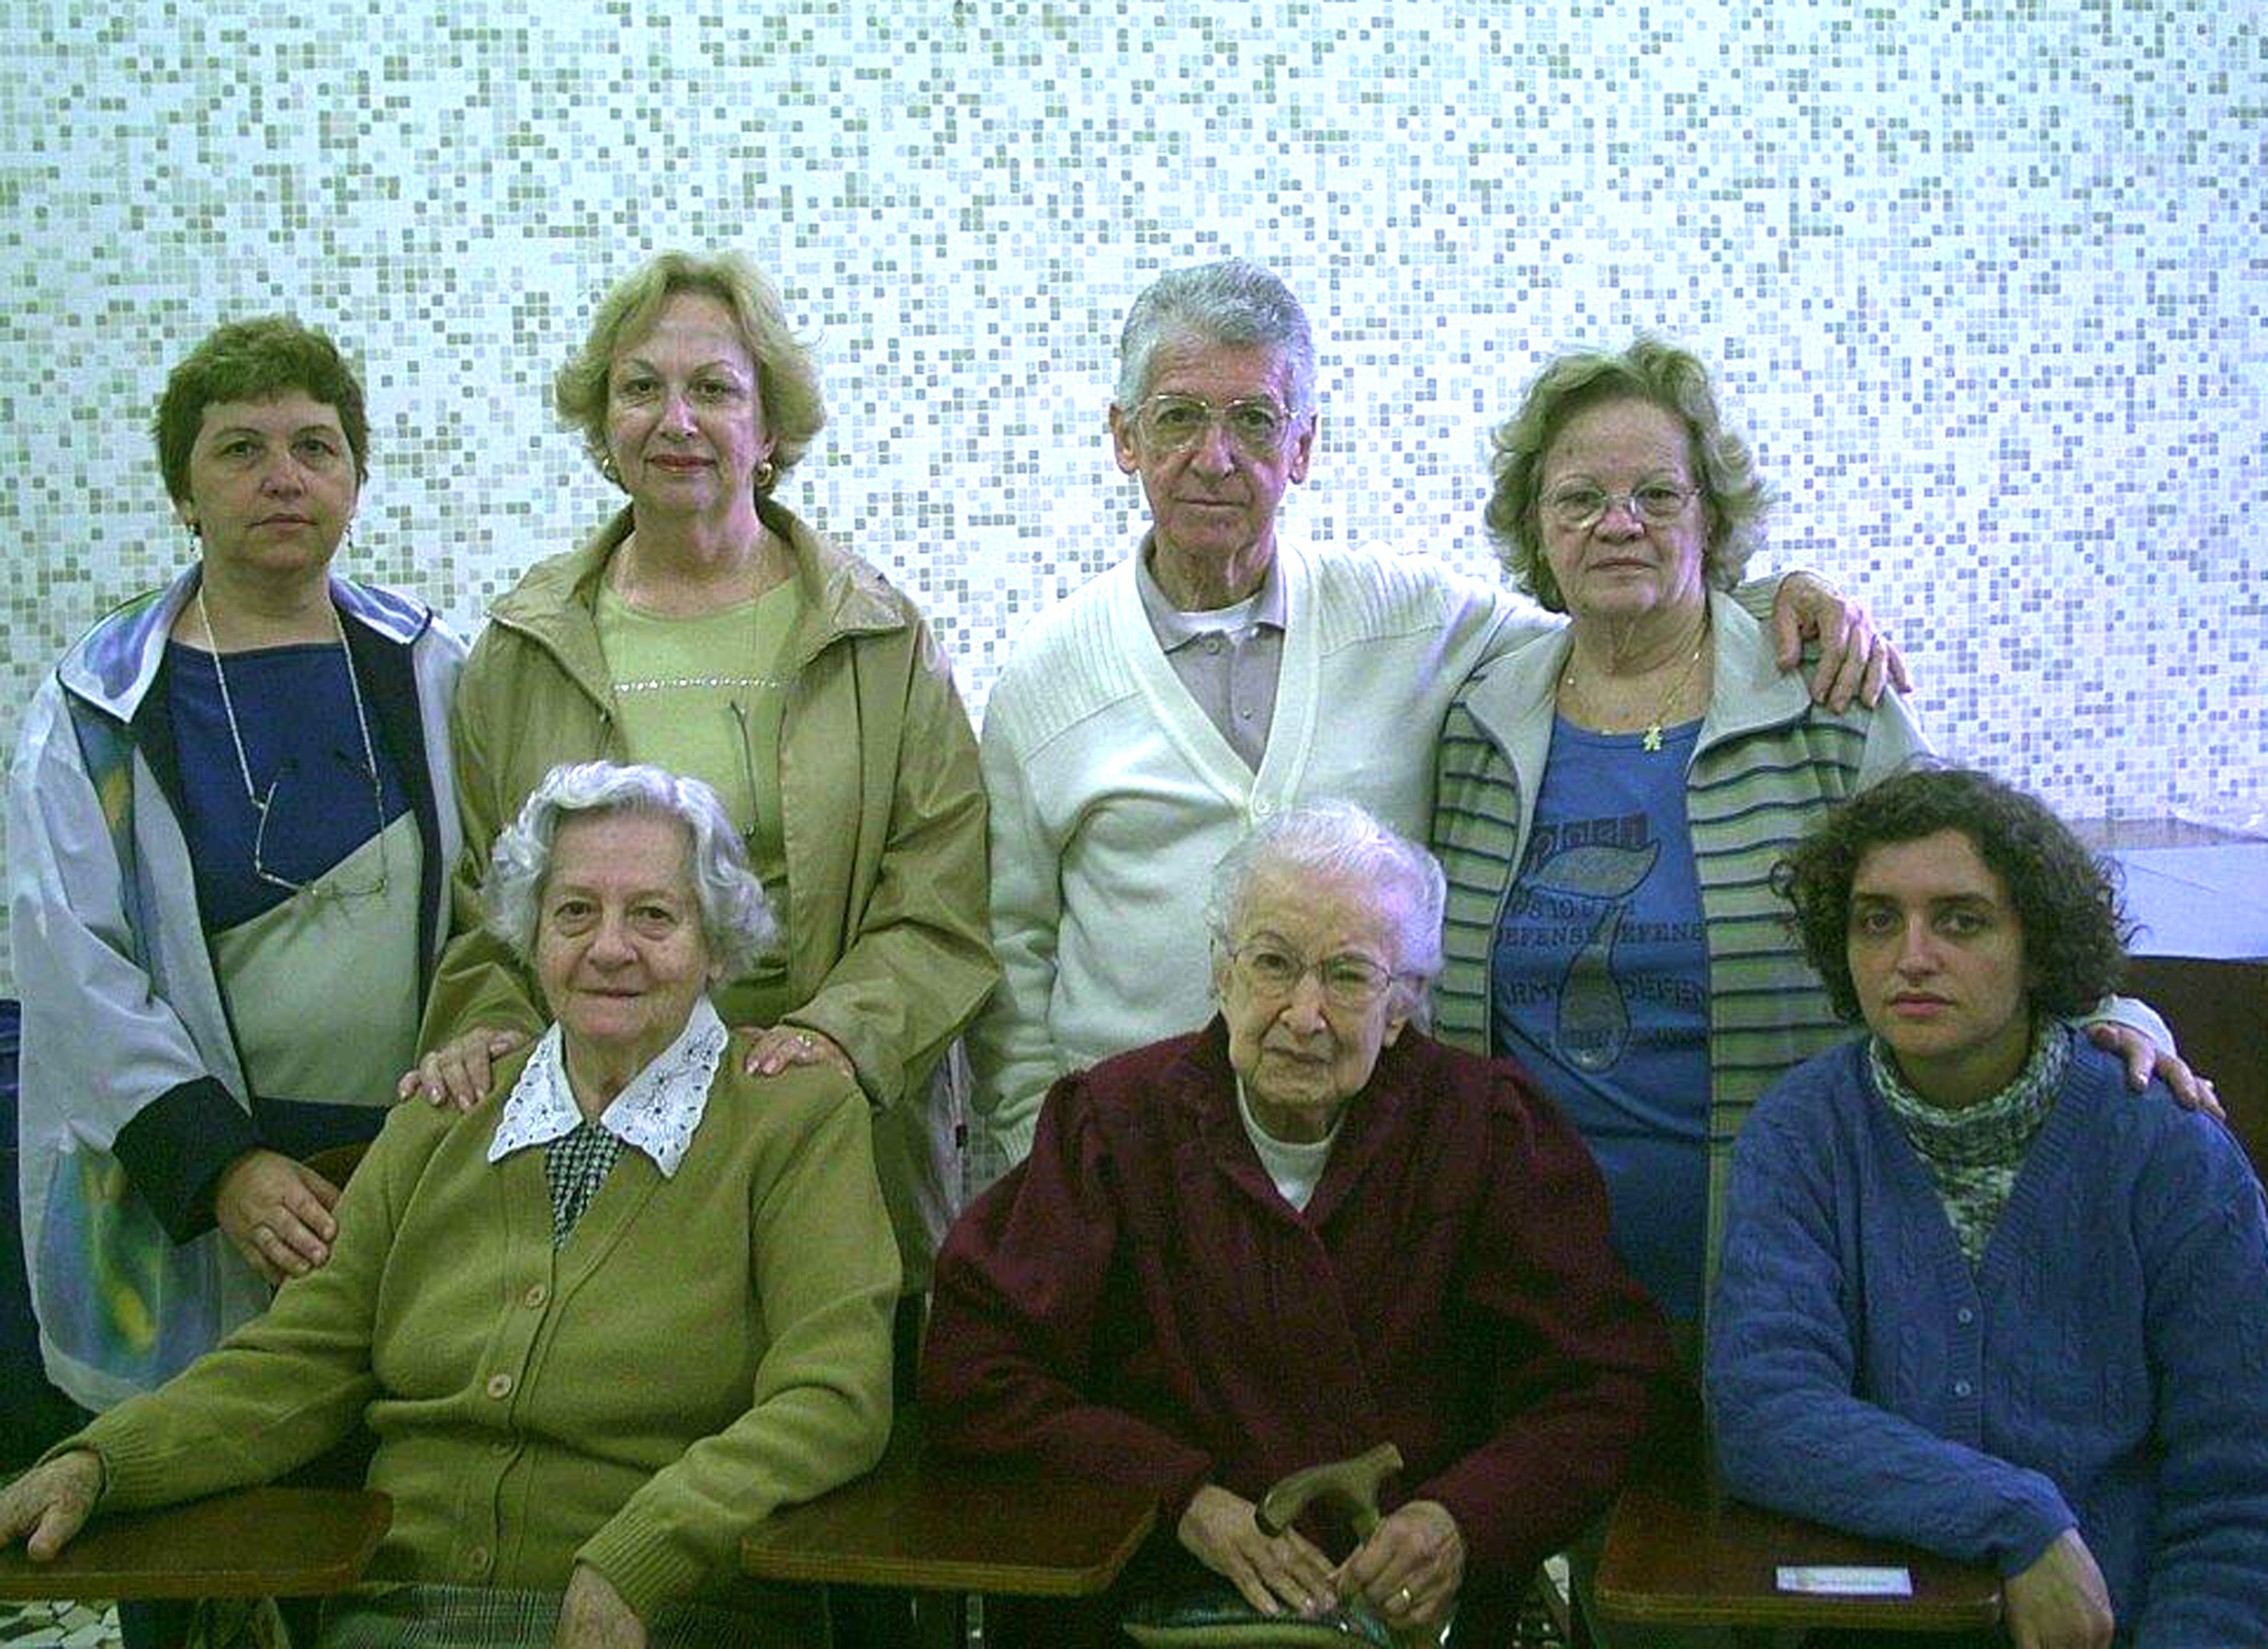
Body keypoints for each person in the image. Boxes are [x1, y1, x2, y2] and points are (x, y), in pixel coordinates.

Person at [965, 260, 1902, 1174]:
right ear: (1124, 435)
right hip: (1134, 1173)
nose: (1215, 456)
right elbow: (1013, 962)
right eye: (1179, 417)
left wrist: (1778, 597)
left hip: (1372, 1180)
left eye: (1255, 419)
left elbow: (1613, 614)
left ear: (1303, 446)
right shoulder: (1045, 681)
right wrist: (1036, 1174)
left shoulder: (1405, 619)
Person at [0, 762, 900, 1648]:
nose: (610, 947)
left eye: (654, 915)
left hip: (676, 1616)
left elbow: (833, 1394)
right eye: (575, 911)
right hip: (400, 1615)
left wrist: (640, 1555)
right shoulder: (448, 1110)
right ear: (532, 934)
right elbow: (294, 1362)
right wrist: (102, 1463)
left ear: (716, 945)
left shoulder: (792, 1114)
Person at [1428, 337, 2195, 1341]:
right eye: (1579, 498)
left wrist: (2112, 1008)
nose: (1618, 524)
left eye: (1658, 496)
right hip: (1521, 1274)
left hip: (1783, 1250)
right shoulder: (1479, 719)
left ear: (1711, 515)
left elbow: (1967, 886)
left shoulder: (1822, 696)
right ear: (1537, 524)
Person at [924, 802, 1685, 1646]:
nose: (1303, 1012)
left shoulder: (1487, 1132)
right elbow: (975, 1371)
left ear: (1404, 1004)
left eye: (1349, 975)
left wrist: (1457, 1520)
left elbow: (1603, 1387)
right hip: (1152, 1605)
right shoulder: (1110, 1125)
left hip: (1408, 1618)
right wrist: (1179, 1498)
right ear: (1220, 972)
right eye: (1273, 964)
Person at [404, 251, 993, 1317]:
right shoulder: (523, 647)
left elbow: (942, 907)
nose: (677, 420)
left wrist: (834, 1040)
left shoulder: (880, 639)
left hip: (819, 1132)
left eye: (714, 389)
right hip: (593, 1139)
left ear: (769, 431)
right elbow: (487, 916)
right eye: (642, 388)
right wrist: (485, 1022)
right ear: (604, 426)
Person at [7, 316, 464, 1423]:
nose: (283, 479)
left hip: (405, 1164)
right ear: (184, 490)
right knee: (196, 1500)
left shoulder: (429, 667)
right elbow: (75, 971)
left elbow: (495, 897)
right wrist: (225, 1169)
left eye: (316, 447)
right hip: (203, 1186)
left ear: (355, 480)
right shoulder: (95, 708)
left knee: (388, 1484)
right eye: (240, 449)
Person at [1709, 767, 2268, 1647]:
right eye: (1876, 920)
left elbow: (2240, 1492)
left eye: (1960, 920)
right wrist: (2016, 1516)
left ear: (2036, 945)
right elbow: (1763, 1413)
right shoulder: (1802, 1133)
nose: (1911, 956)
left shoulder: (2165, 1150)